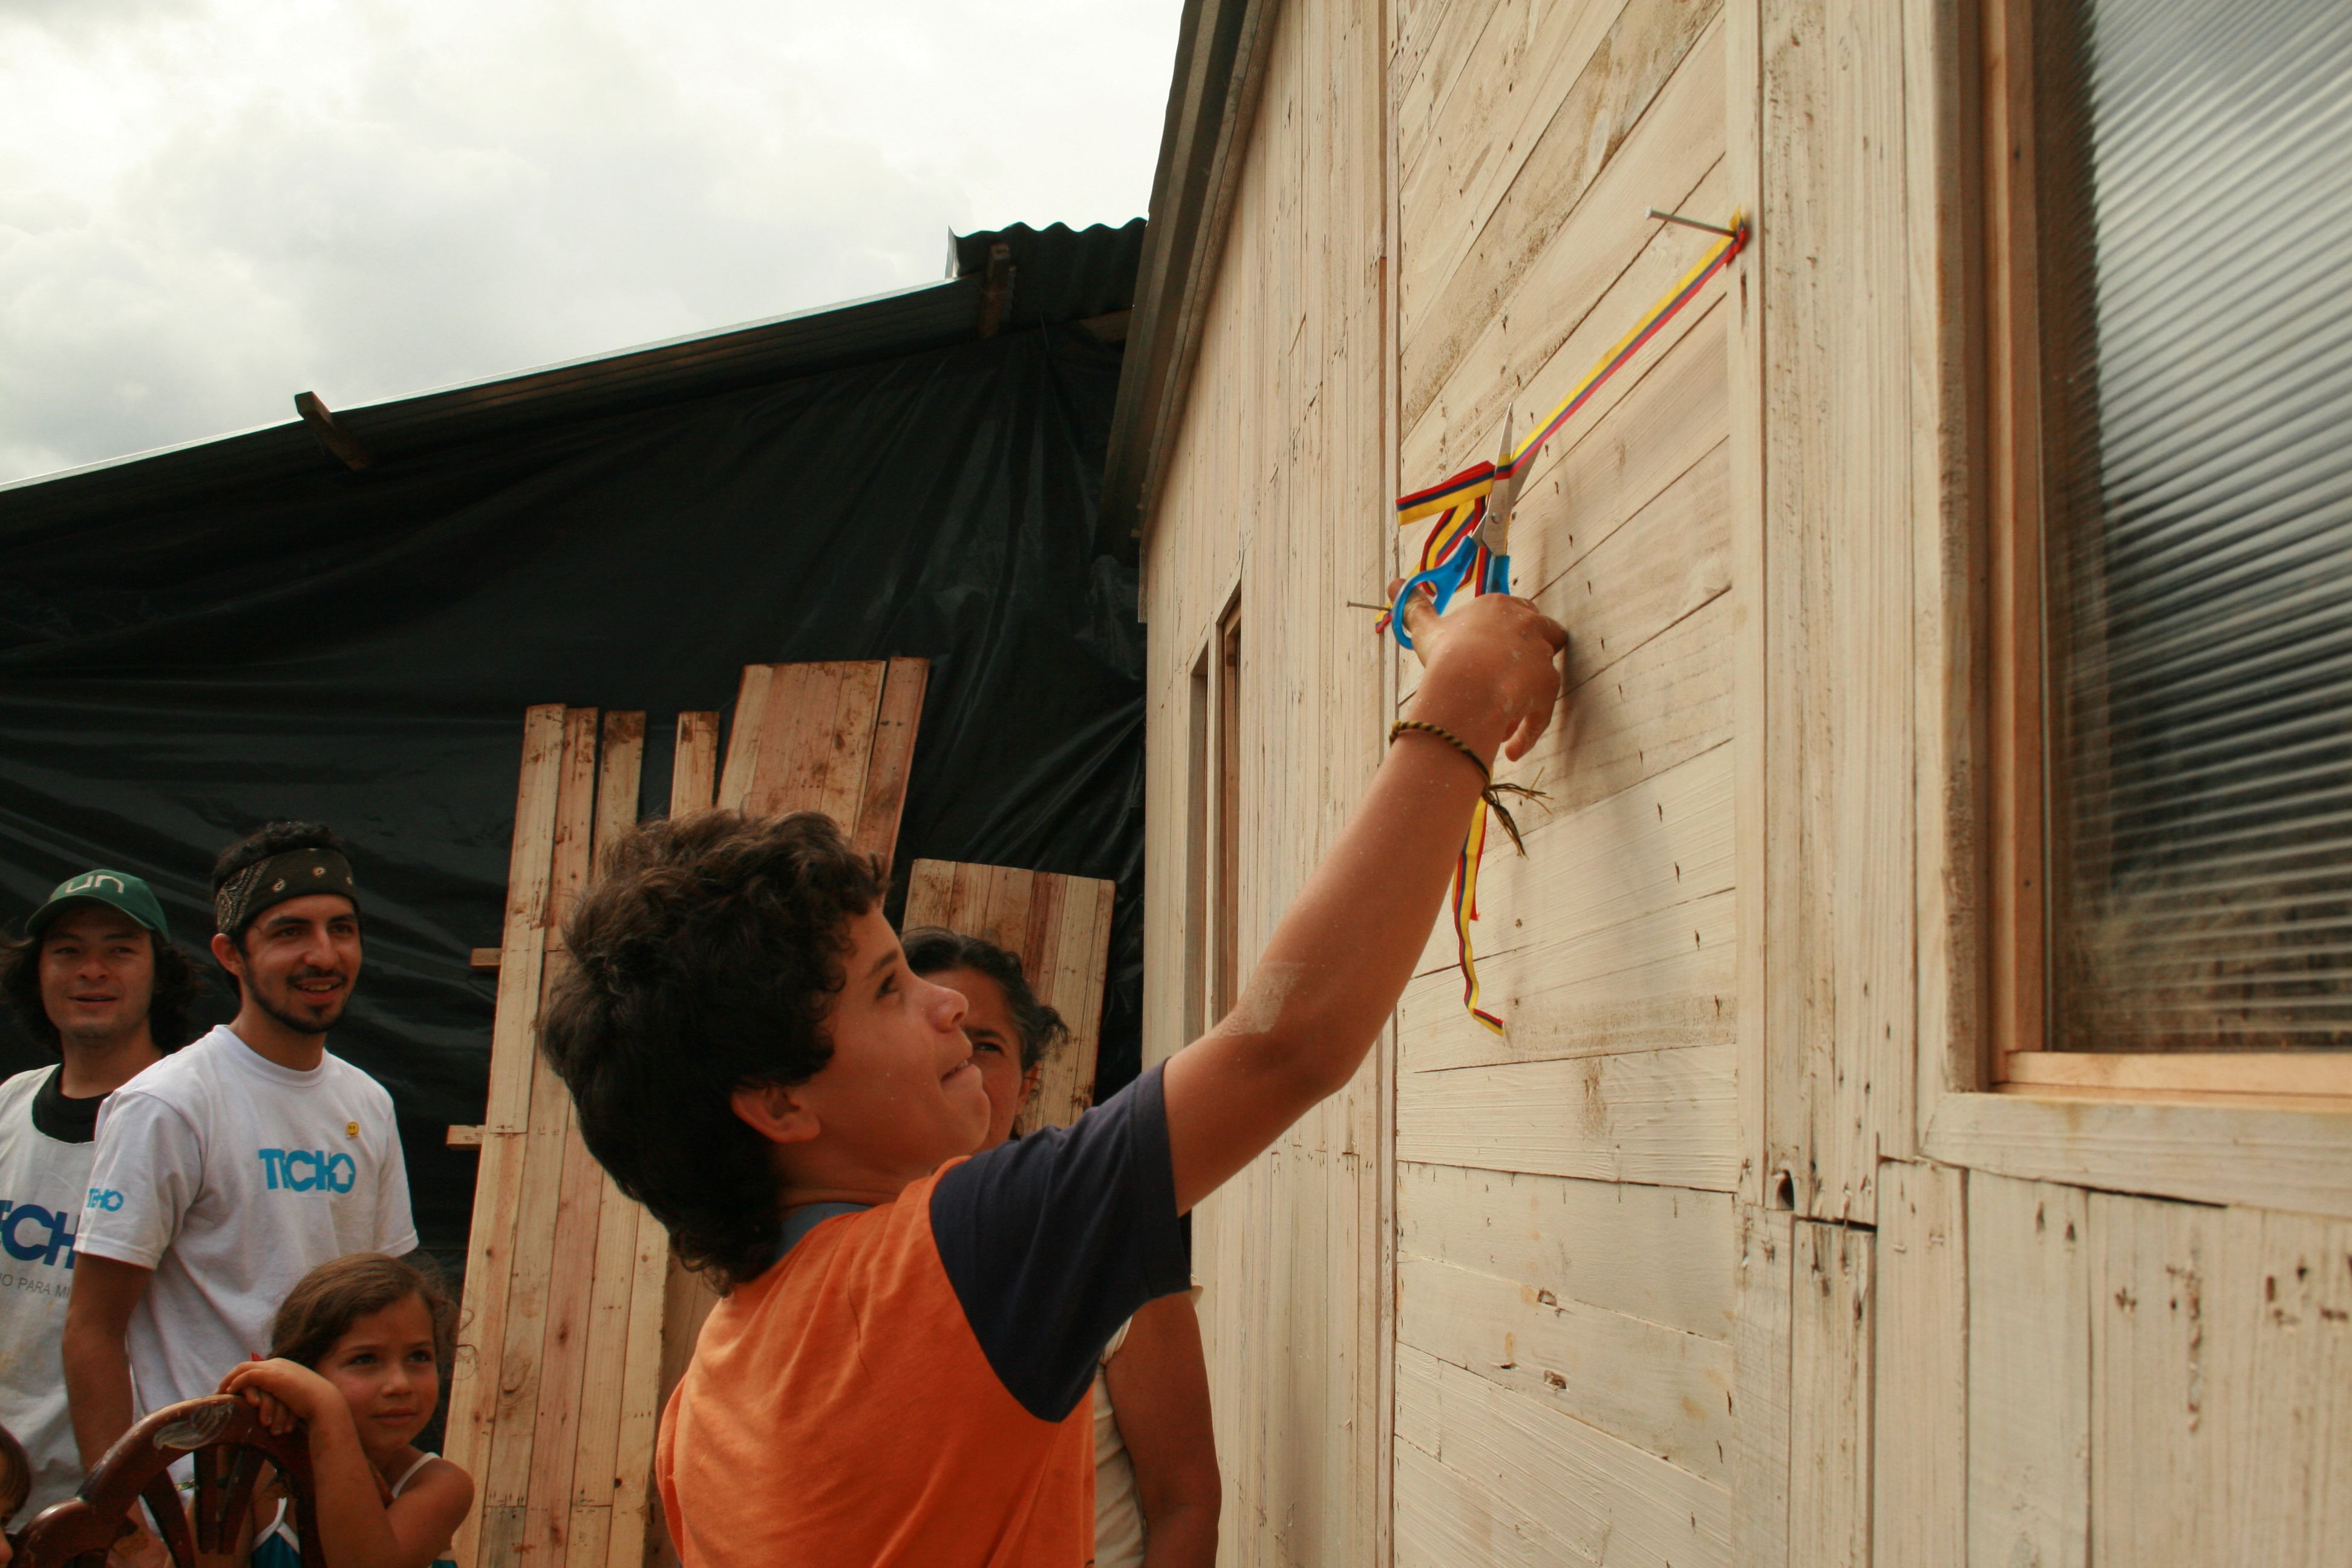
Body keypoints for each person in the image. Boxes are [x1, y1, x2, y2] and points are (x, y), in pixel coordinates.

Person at [540, 586, 1565, 1566]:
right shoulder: (946, 1261)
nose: (948, 1006)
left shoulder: (697, 1419)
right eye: (889, 988)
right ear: (778, 1101)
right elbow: (1285, 1041)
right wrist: (1467, 683)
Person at [62, 822, 417, 1486]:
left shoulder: (367, 1103)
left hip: (328, 1494)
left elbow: (384, 1315)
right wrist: (123, 1520)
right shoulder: (168, 1104)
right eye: (289, 933)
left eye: (341, 929)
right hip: (200, 1501)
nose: (324, 955)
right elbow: (92, 1328)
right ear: (230, 953)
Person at [903, 927, 1219, 1568]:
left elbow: (1185, 1502)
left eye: (986, 1044)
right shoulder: (839, 1256)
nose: (958, 1062)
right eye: (928, 1038)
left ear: (1028, 1081)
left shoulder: (1095, 1237)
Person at [0, 870, 200, 1519]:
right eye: (68, 951)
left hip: (133, 1508)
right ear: (38, 973)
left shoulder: (196, 1115)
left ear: (159, 973)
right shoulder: (6, 1107)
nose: (92, 971)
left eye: (119, 949)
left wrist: (125, 1514)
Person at [218, 1252, 473, 1568]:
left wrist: (327, 1410)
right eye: (365, 1359)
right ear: (303, 1373)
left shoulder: (439, 1484)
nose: (400, 1384)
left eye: (419, 1356)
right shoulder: (259, 1481)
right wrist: (225, 1448)